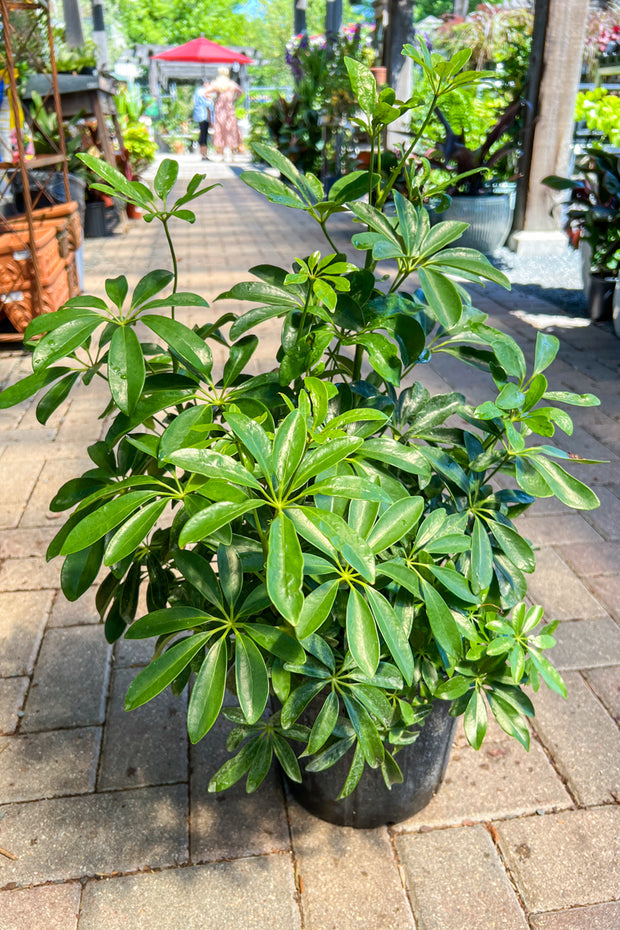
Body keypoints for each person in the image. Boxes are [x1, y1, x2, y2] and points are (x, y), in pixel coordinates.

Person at [206, 67, 243, 161]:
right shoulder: (232, 84)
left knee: (220, 130)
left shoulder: (216, 84)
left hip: (219, 109)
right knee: (231, 130)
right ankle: (232, 155)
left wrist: (214, 99)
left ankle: (222, 154)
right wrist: (234, 98)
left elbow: (205, 93)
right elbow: (240, 92)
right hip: (229, 109)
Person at [192, 80, 213, 160]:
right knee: (204, 134)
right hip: (204, 116)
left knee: (202, 133)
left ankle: (203, 153)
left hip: (199, 115)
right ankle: (204, 154)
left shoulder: (198, 91)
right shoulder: (203, 92)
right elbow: (208, 105)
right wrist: (211, 119)